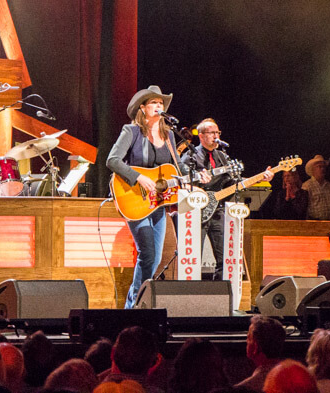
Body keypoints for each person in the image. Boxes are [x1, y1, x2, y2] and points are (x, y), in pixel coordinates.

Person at [107, 86, 210, 307]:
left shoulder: (169, 135)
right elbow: (112, 160)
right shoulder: (131, 131)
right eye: (153, 103)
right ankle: (134, 306)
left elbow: (176, 166)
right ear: (142, 108)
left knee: (152, 259)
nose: (158, 106)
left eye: (160, 103)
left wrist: (196, 175)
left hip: (159, 203)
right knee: (148, 253)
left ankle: (136, 305)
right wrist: (138, 177)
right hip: (136, 199)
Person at [181, 118, 272, 279]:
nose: (216, 136)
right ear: (201, 136)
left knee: (224, 258)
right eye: (212, 133)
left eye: (218, 132)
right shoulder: (190, 156)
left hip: (218, 211)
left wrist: (260, 178)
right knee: (194, 257)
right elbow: (182, 182)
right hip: (196, 212)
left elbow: (235, 183)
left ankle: (220, 294)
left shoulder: (223, 157)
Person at [236, 316, 286, 391]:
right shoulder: (298, 381)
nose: (246, 341)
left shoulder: (244, 388)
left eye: (249, 338)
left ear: (256, 346)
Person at [302, 155, 330, 220]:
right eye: (319, 167)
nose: (322, 169)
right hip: (313, 223)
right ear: (313, 169)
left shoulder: (329, 186)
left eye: (324, 167)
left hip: (329, 222)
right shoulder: (306, 186)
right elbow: (303, 208)